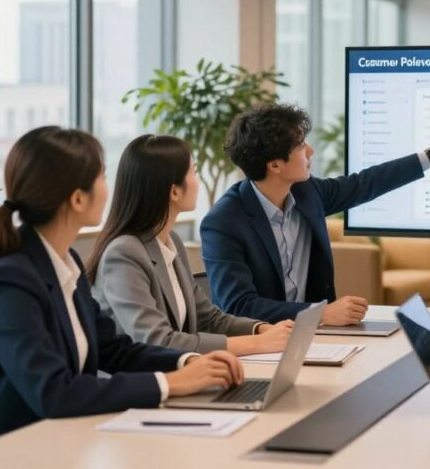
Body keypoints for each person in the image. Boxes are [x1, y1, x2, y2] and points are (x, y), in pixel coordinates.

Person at [0, 127, 244, 449]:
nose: (109, 188)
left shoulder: (65, 260)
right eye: (102, 177)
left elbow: (114, 349)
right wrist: (169, 383)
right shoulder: (9, 280)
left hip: (59, 440)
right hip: (0, 452)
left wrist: (187, 363)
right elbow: (55, 393)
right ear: (77, 198)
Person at [201, 103, 430, 324]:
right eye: (300, 146)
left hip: (313, 337)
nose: (311, 151)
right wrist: (320, 313)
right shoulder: (224, 222)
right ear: (274, 164)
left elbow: (366, 183)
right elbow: (238, 306)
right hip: (259, 346)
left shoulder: (307, 193)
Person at [89, 134, 293, 356]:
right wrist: (258, 344)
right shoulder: (124, 254)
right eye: (194, 173)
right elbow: (157, 340)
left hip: (179, 374)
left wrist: (261, 329)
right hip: (139, 385)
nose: (198, 181)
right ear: (174, 191)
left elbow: (208, 317)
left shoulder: (171, 241)